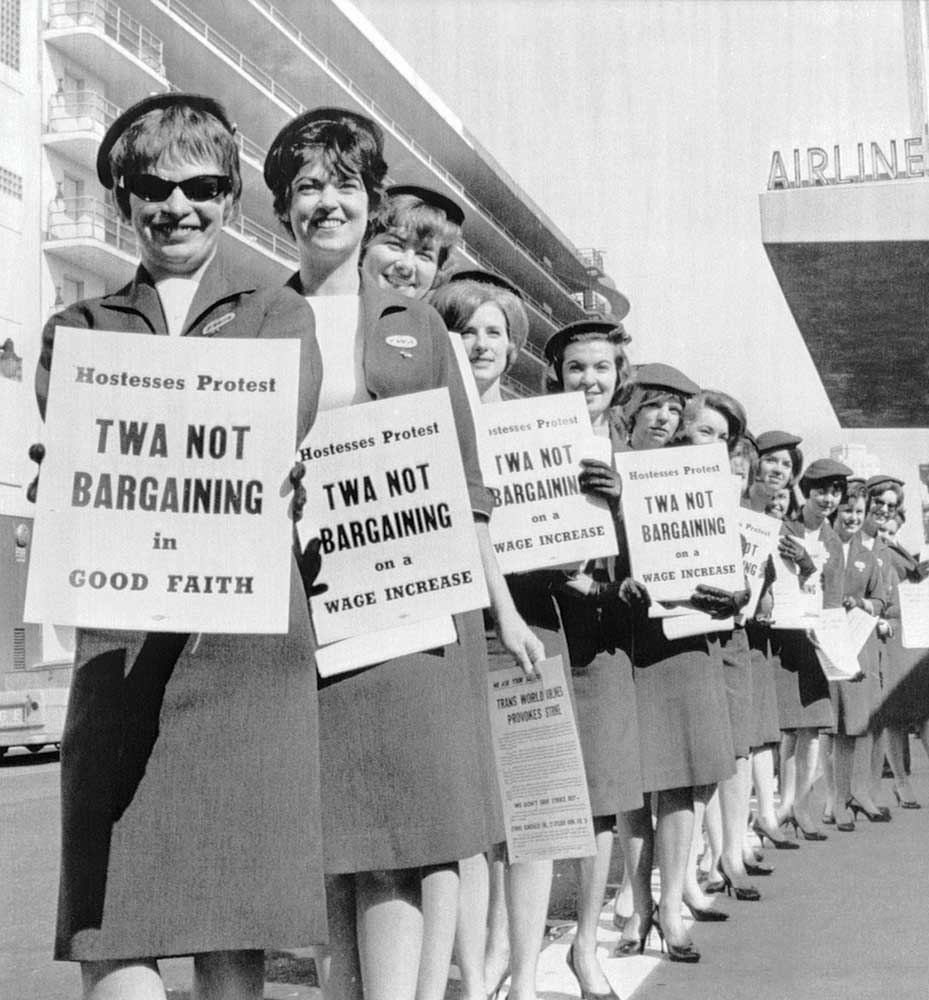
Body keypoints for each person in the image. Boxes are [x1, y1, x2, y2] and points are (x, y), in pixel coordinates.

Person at [35, 93, 326, 1000]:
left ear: (231, 197)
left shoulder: (278, 315)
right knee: (114, 919)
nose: (176, 207)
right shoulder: (78, 333)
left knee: (231, 927)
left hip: (244, 655)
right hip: (120, 655)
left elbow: (285, 428)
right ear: (123, 198)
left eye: (201, 187)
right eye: (152, 189)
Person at [262, 107, 543, 1000]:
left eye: (345, 186)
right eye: (307, 187)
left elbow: (466, 482)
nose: (327, 203)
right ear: (284, 207)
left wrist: (501, 609)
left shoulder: (420, 329)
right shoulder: (252, 321)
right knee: (331, 839)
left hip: (408, 604)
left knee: (397, 836)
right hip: (299, 608)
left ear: (368, 200)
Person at [432, 271, 558, 1000]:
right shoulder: (429, 416)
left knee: (534, 809)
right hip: (459, 622)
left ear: (513, 349)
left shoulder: (538, 426)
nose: (480, 344)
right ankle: (475, 975)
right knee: (471, 818)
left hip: (531, 624)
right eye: (465, 329)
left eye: (494, 332)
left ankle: (525, 971)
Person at [536, 320, 645, 995]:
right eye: (576, 369)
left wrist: (623, 508)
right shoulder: (529, 436)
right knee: (536, 790)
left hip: (605, 635)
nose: (589, 381)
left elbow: (661, 554)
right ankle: (509, 944)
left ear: (618, 374)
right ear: (558, 375)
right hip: (546, 626)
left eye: (601, 369)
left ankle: (583, 945)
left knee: (601, 796)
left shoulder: (637, 452)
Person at [616, 365, 736, 964]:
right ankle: (638, 907)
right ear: (629, 410)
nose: (663, 419)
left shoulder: (703, 475)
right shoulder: (605, 469)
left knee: (685, 779)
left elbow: (739, 566)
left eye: (674, 410)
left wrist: (734, 595)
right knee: (634, 783)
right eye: (652, 407)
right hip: (626, 641)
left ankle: (669, 907)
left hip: (688, 641)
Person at [678, 391, 763, 904]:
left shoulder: (732, 497)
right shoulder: (657, 478)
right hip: (674, 633)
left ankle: (729, 852)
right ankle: (695, 866)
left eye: (722, 437)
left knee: (733, 747)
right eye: (703, 430)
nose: (711, 443)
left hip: (726, 631)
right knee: (693, 757)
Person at [773, 458, 851, 840]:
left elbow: (834, 600)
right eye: (821, 490)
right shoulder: (784, 528)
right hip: (785, 640)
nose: (829, 498)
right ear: (807, 491)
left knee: (816, 728)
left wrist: (841, 650)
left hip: (818, 644)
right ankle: (784, 804)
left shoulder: (833, 541)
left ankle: (801, 806)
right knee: (790, 728)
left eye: (836, 491)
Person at [744, 432, 802, 853]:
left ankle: (764, 813)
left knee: (763, 729)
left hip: (761, 634)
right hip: (734, 629)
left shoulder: (777, 522)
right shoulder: (741, 509)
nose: (779, 470)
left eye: (787, 465)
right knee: (742, 735)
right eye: (772, 461)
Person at [866, 476, 929, 808]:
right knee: (895, 716)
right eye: (880, 504)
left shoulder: (897, 548)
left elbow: (905, 580)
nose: (885, 516)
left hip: (914, 632)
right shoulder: (866, 544)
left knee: (927, 712)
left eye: (892, 509)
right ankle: (902, 784)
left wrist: (919, 574)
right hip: (890, 633)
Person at [825, 480, 888, 829]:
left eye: (859, 512)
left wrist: (862, 603)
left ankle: (847, 797)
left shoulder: (867, 556)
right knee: (826, 728)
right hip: (824, 644)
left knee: (852, 727)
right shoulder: (823, 546)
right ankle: (831, 801)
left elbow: (880, 600)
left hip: (856, 646)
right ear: (836, 510)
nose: (852, 517)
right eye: (847, 510)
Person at [361, 184, 464, 300]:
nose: (406, 265)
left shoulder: (428, 318)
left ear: (437, 273)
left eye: (424, 256)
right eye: (395, 245)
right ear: (364, 244)